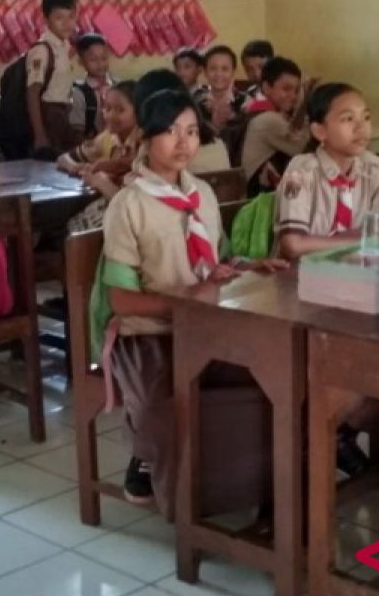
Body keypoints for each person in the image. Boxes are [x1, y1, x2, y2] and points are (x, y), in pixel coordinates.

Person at [94, 89, 279, 511]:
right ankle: (173, 487)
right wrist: (186, 307)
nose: (184, 143)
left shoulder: (203, 195)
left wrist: (251, 265)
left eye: (192, 132)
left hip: (205, 327)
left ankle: (243, 488)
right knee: (169, 407)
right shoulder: (129, 206)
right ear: (145, 137)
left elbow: (219, 262)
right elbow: (123, 300)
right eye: (171, 132)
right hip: (149, 335)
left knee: (270, 377)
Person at [275, 83, 379, 260]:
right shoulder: (300, 171)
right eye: (348, 119)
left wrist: (339, 240)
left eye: (366, 117)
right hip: (301, 275)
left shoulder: (373, 166)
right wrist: (363, 239)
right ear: (320, 131)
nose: (361, 127)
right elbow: (294, 245)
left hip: (353, 269)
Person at [58, 80, 139, 231]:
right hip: (114, 202)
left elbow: (134, 164)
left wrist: (100, 177)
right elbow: (63, 158)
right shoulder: (107, 138)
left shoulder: (144, 140)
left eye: (120, 110)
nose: (110, 116)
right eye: (107, 109)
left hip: (132, 212)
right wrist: (75, 167)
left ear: (139, 112)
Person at [240, 57, 311, 195]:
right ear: (266, 88)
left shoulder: (259, 109)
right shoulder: (269, 120)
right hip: (258, 201)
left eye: (297, 90)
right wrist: (303, 104)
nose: (293, 96)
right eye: (286, 89)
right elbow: (303, 149)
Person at [25, 0, 80, 156]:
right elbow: (32, 93)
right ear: (46, 20)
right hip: (47, 116)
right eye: (59, 18)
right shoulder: (42, 49)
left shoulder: (65, 46)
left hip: (62, 115)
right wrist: (39, 134)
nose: (66, 23)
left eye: (71, 17)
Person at [69, 33, 116, 141]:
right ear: (81, 61)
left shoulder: (118, 88)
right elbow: (77, 131)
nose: (100, 64)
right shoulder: (78, 93)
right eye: (93, 59)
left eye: (104, 58)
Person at [197, 45, 249, 131]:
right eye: (213, 68)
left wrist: (233, 117)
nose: (219, 74)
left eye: (225, 69)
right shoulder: (197, 103)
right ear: (205, 72)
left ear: (233, 72)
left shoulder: (245, 102)